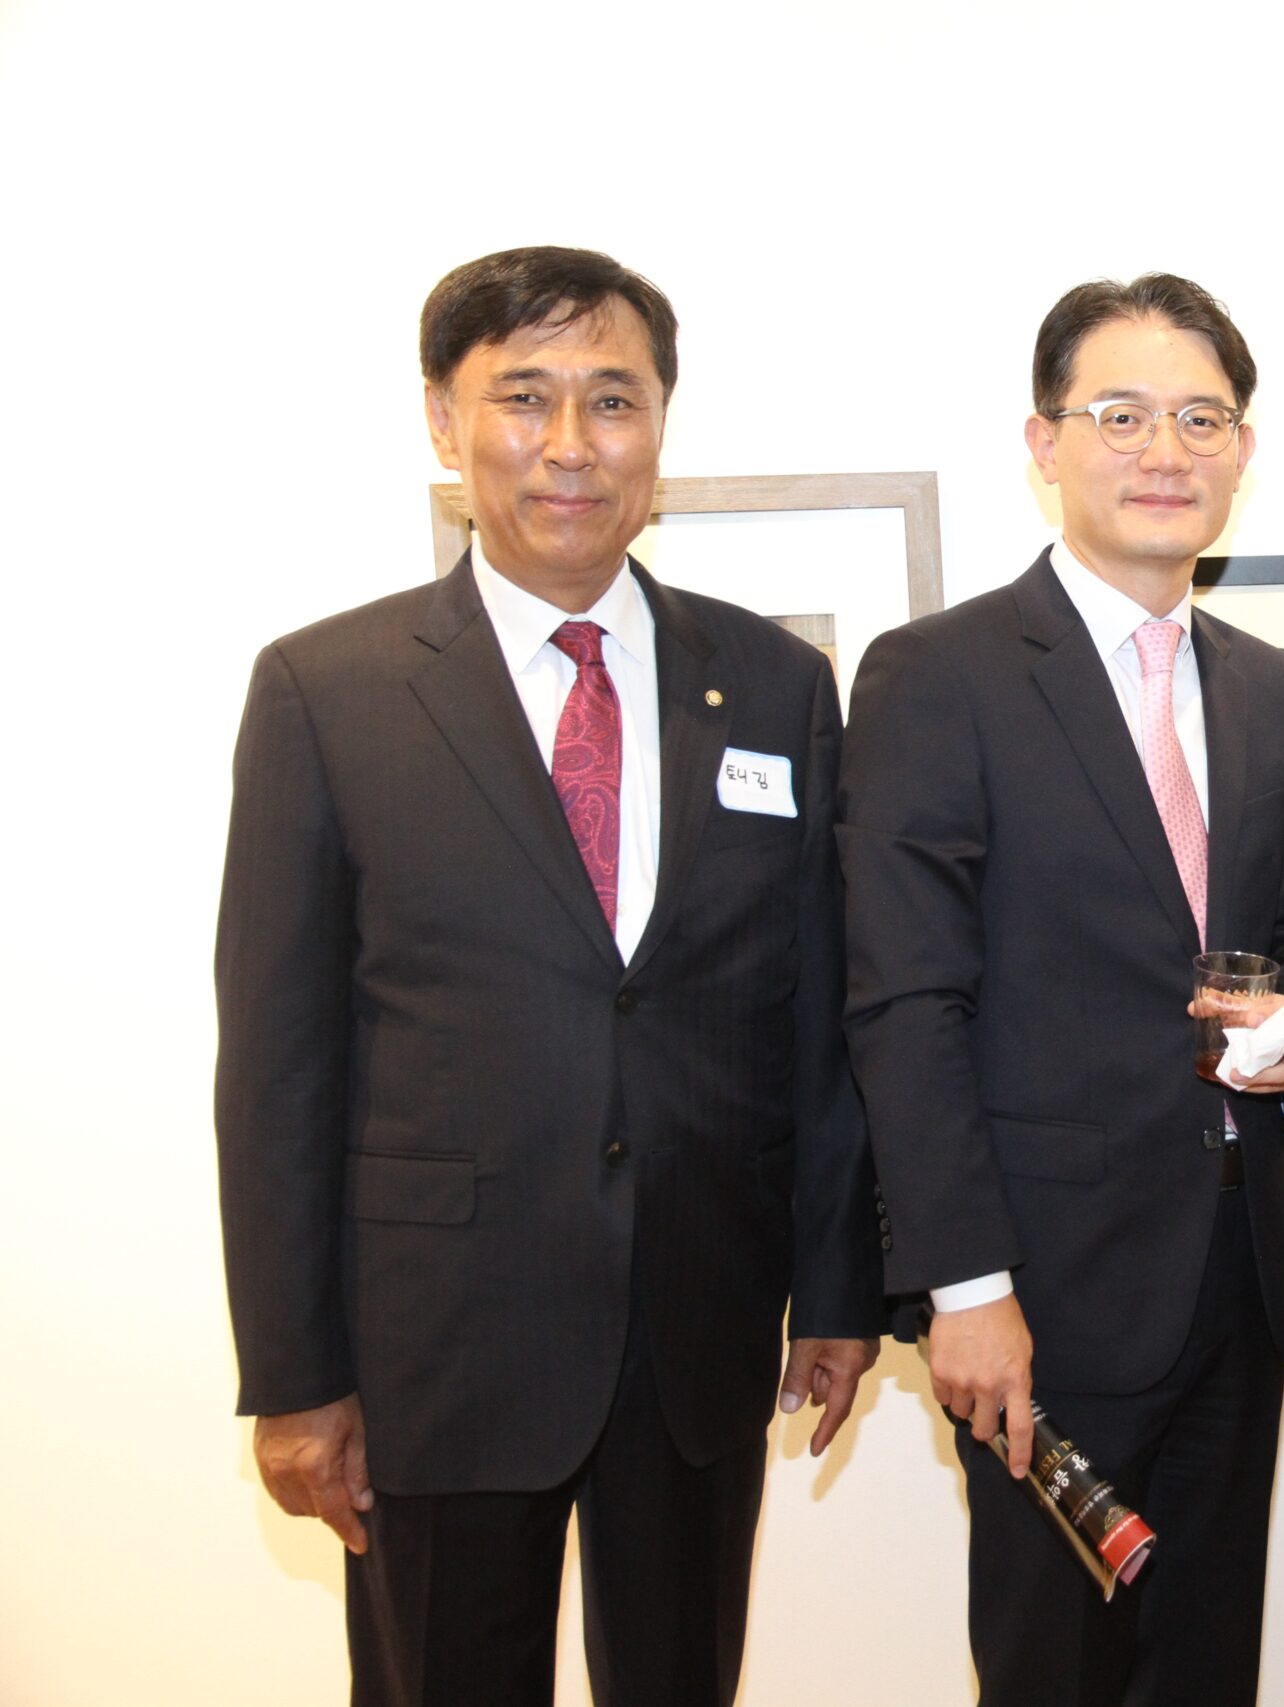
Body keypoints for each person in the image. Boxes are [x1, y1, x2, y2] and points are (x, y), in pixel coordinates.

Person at [213, 245, 883, 1707]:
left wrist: (839, 1287)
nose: (572, 444)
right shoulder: (328, 692)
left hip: (698, 1325)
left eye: (613, 400)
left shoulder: (775, 685)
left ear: (660, 426)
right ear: (444, 422)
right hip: (435, 1346)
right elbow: (274, 1067)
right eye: (523, 397)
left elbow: (816, 1018)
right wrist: (295, 1374)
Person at [838, 273, 1284, 1707]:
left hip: (1237, 1281)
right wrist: (966, 1287)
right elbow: (905, 1004)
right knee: (1055, 1676)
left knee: (1206, 1672)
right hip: (1041, 1298)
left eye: (1201, 419)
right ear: (1044, 443)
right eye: (1121, 415)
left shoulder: (1265, 683)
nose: (1164, 450)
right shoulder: (940, 675)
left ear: (1243, 449)